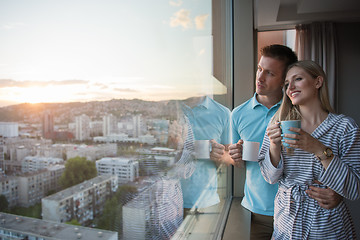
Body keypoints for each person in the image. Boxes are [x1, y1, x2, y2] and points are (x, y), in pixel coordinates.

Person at [228, 45, 342, 239]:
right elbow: (239, 164)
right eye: (259, 69)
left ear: (284, 80)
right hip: (258, 211)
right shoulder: (238, 114)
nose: (260, 77)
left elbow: (321, 165)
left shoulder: (301, 111)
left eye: (270, 73)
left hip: (304, 213)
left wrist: (338, 191)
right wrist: (235, 158)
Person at [258, 60, 360, 239]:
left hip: (327, 227)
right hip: (286, 225)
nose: (291, 87)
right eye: (287, 84)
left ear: (318, 82)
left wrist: (319, 149)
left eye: (298, 79)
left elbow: (354, 189)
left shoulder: (345, 128)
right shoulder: (278, 123)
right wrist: (274, 146)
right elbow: (270, 178)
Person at [180, 95, 233, 216]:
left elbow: (229, 157)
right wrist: (196, 148)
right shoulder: (169, 108)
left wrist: (219, 155)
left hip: (205, 202)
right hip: (168, 201)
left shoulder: (223, 113)